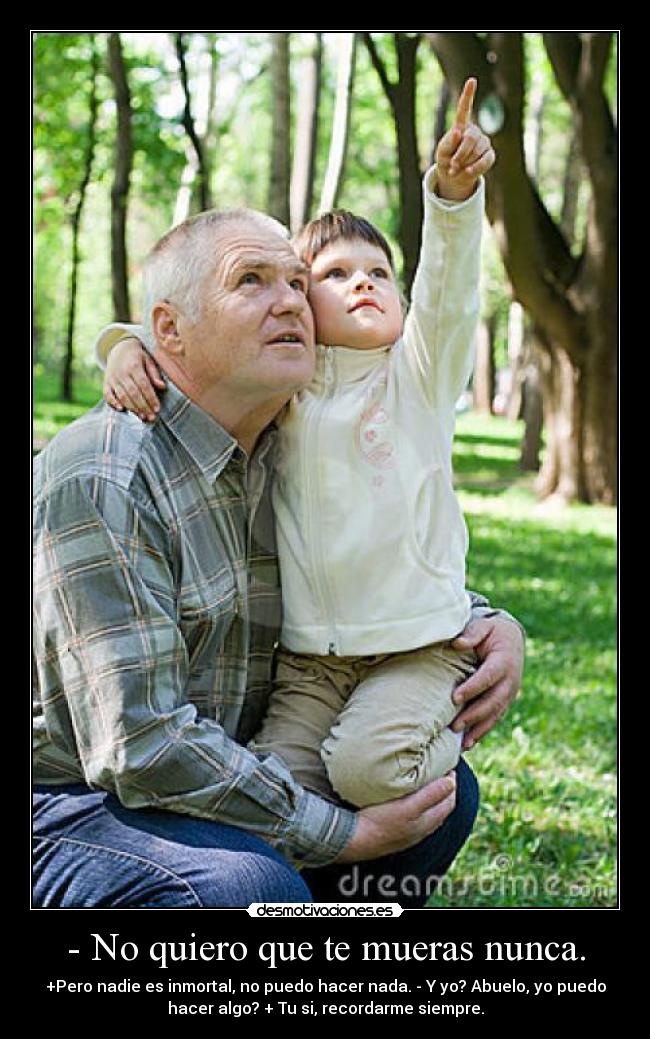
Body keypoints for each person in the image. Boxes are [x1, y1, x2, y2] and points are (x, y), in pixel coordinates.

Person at [33, 83, 524, 909]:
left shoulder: (276, 443)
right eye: (252, 282)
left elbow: (358, 546)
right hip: (76, 800)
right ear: (170, 332)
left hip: (222, 760)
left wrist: (484, 619)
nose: (291, 299)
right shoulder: (105, 474)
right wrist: (344, 837)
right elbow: (141, 746)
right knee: (246, 885)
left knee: (437, 803)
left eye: (299, 283)